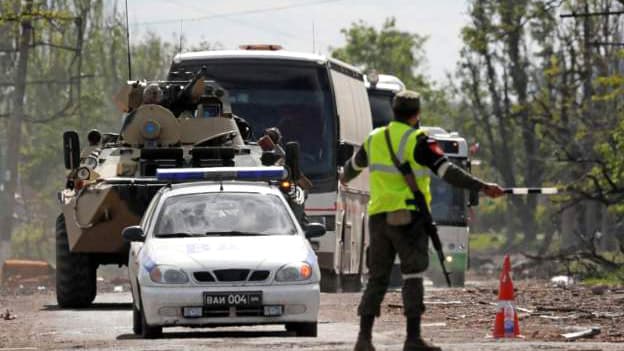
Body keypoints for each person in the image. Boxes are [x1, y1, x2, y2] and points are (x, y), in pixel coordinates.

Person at [340, 90, 504, 351]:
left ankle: (364, 339)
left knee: (377, 278)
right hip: (408, 218)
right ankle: (412, 338)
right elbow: (449, 173)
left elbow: (350, 170)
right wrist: (483, 186)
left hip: (378, 217)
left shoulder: (375, 139)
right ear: (417, 114)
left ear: (394, 111)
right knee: (413, 274)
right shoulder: (420, 140)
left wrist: (344, 178)